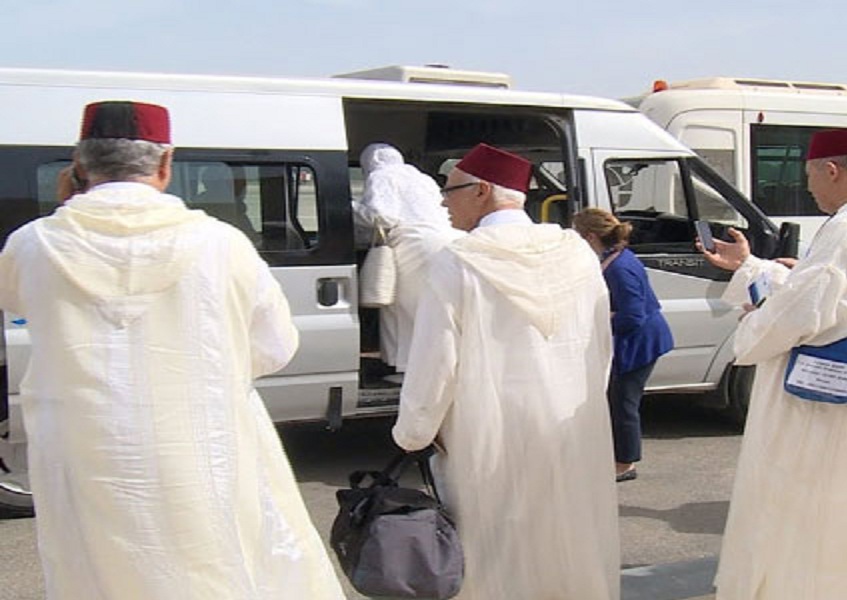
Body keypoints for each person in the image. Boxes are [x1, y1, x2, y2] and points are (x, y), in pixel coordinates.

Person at [0, 101, 345, 599]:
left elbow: (15, 298)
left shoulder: (31, 244)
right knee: (212, 563)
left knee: (93, 570)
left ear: (77, 166)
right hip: (200, 442)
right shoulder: (221, 243)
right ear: (166, 163)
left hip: (83, 451)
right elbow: (276, 346)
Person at [702, 127, 847, 600]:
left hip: (832, 414)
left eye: (810, 176)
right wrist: (753, 268)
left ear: (831, 170)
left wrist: (752, 325)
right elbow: (842, 300)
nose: (809, 188)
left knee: (812, 523)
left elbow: (798, 315)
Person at [391, 143, 620, 599]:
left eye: (448, 188)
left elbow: (435, 363)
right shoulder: (576, 252)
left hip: (488, 433)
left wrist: (413, 433)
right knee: (568, 537)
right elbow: (601, 346)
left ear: (480, 191)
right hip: (570, 427)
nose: (442, 200)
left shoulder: (458, 261)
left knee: (496, 549)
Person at [572, 208, 674, 482]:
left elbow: (633, 314)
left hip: (640, 342)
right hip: (639, 338)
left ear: (590, 236)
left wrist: (602, 320)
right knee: (618, 400)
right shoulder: (618, 258)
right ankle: (617, 456)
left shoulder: (618, 267)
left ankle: (625, 463)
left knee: (623, 403)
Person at [354, 143, 461, 373]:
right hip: (448, 241)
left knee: (402, 310)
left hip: (414, 244)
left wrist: (348, 207)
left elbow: (382, 217)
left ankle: (405, 369)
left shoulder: (381, 176)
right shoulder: (422, 178)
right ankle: (435, 366)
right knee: (431, 309)